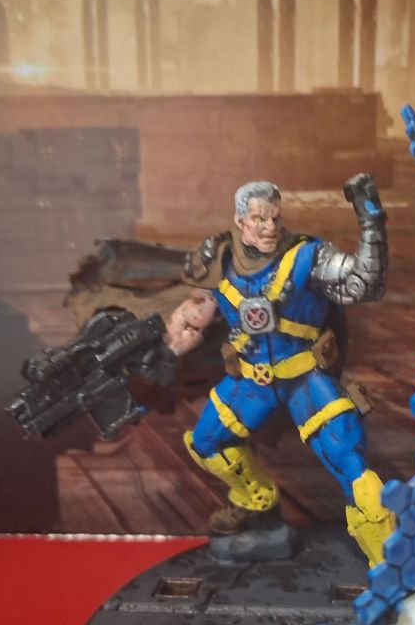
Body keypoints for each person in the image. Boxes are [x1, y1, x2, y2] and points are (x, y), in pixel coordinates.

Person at [166, 174, 394, 567]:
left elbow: (364, 283)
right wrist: (168, 349)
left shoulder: (308, 256)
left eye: (275, 218)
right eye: (259, 219)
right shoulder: (217, 259)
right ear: (240, 221)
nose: (270, 227)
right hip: (251, 382)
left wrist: (371, 221)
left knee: (353, 466)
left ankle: (389, 565)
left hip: (306, 379)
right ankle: (256, 499)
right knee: (206, 442)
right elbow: (195, 316)